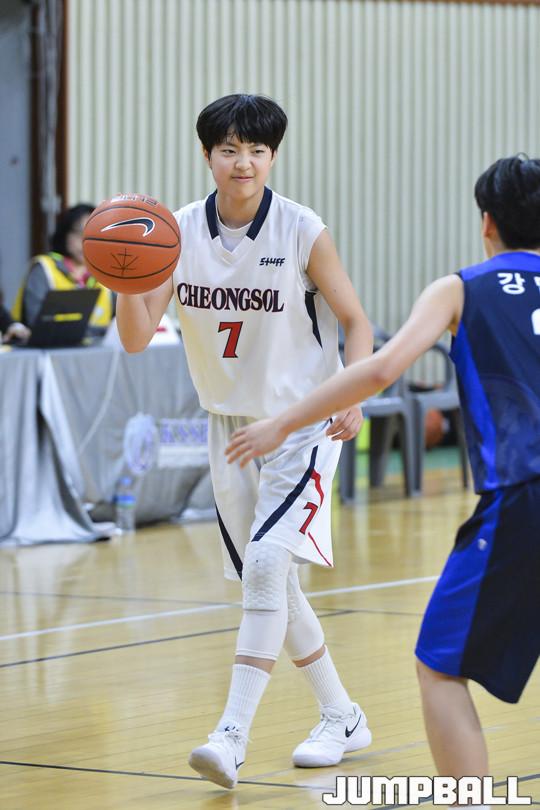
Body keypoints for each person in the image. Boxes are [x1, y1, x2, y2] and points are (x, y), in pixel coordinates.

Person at [226, 154, 540, 809]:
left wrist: (283, 423)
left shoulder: (462, 288)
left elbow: (377, 371)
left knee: (439, 666)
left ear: (486, 222)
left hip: (523, 498)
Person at [115, 93, 374, 789]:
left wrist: (353, 391)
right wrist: (124, 276)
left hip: (303, 420)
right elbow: (136, 339)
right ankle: (342, 715)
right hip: (230, 429)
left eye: (258, 150)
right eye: (230, 149)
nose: (244, 162)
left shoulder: (302, 229)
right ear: (207, 155)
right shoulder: (175, 233)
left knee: (263, 569)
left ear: (273, 156)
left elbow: (356, 321)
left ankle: (230, 736)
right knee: (275, 583)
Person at [12, 203, 114, 330]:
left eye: (93, 235)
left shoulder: (106, 274)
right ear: (65, 233)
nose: (84, 241)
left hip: (98, 344)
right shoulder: (44, 268)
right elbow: (34, 322)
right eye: (79, 233)